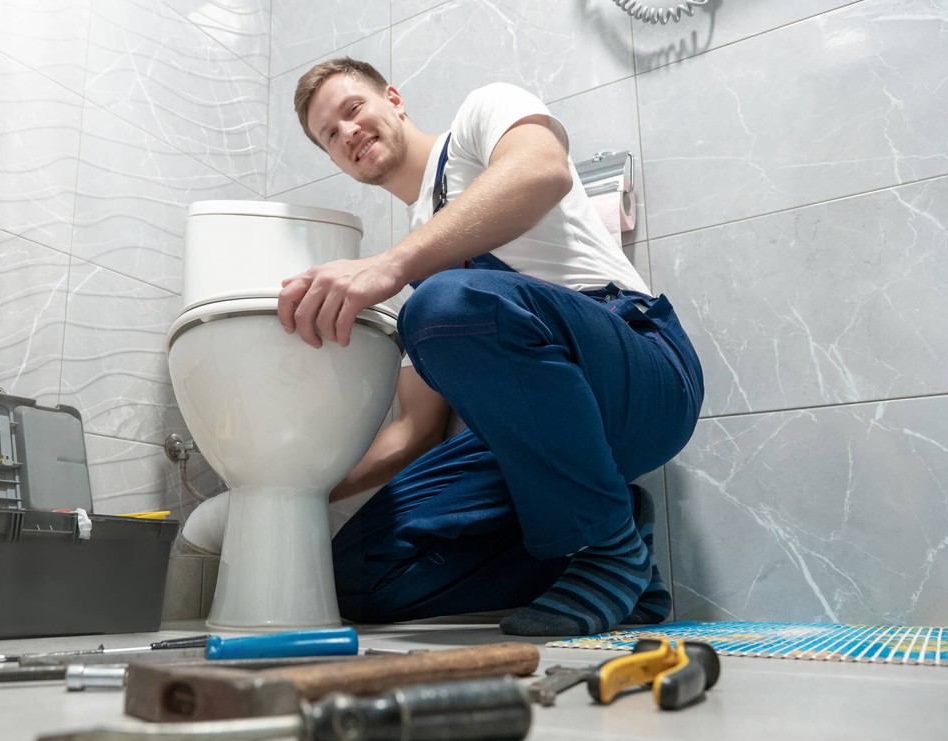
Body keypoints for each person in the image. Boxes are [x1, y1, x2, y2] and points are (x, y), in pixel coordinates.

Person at [278, 58, 704, 637]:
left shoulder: (480, 119)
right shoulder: (419, 270)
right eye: (330, 134)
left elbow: (542, 169)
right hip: (530, 438)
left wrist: (392, 266)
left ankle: (603, 548)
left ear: (394, 100)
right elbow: (413, 431)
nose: (347, 131)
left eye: (353, 109)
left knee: (444, 305)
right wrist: (296, 487)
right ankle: (621, 547)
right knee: (355, 575)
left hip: (642, 375)